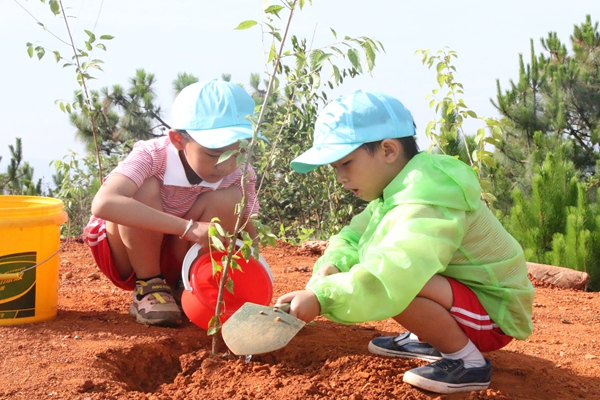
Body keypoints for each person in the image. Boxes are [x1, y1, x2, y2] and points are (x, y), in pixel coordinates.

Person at [277, 90, 534, 394]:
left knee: (400, 283)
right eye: (335, 168)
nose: (340, 178)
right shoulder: (398, 190)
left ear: (388, 150)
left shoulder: (427, 200)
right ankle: (427, 337)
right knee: (380, 260)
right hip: (467, 299)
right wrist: (332, 266)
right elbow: (352, 236)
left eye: (346, 163)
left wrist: (323, 299)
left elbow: (396, 272)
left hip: (494, 314)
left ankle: (467, 363)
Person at [83, 79, 260, 327]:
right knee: (142, 188)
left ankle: (184, 287)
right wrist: (189, 228)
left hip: (183, 256)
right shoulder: (152, 156)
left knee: (231, 199)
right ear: (178, 139)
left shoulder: (240, 173)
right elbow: (104, 204)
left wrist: (255, 268)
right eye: (213, 154)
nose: (228, 165)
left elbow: (247, 228)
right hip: (129, 254)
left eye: (239, 152)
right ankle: (150, 287)